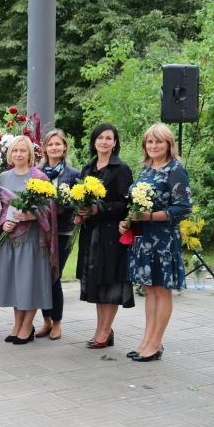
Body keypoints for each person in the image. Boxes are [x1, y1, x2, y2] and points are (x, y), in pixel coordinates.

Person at [120, 123, 192, 362]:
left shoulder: (175, 170)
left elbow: (183, 208)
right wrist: (128, 221)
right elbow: (137, 206)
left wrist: (149, 217)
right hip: (143, 239)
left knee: (162, 292)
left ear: (169, 145)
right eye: (149, 142)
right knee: (150, 290)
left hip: (164, 241)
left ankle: (156, 343)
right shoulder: (146, 170)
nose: (153, 146)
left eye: (159, 142)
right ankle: (146, 342)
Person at [0, 135, 57, 344]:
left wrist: (32, 215)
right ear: (10, 153)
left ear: (30, 154)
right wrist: (3, 223)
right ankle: (17, 324)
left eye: (23, 150)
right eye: (15, 150)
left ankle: (27, 325)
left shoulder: (39, 177)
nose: (19, 154)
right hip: (10, 239)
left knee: (30, 282)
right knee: (14, 283)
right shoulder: (2, 177)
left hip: (32, 239)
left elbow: (51, 209)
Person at [76, 123, 135, 349]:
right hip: (91, 233)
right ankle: (104, 330)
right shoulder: (87, 168)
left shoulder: (121, 169)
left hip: (111, 234)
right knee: (97, 284)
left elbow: (125, 204)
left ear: (115, 143)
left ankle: (103, 332)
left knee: (109, 282)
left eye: (109, 138)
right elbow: (80, 198)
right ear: (94, 141)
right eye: (100, 138)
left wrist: (101, 209)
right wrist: (81, 212)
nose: (104, 142)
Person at [36, 130, 80, 340]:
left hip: (63, 231)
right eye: (50, 144)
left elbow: (79, 203)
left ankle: (57, 323)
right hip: (40, 232)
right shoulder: (37, 172)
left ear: (64, 148)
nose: (54, 148)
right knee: (42, 278)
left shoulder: (73, 174)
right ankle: (45, 321)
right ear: (44, 148)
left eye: (58, 144)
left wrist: (62, 207)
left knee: (54, 276)